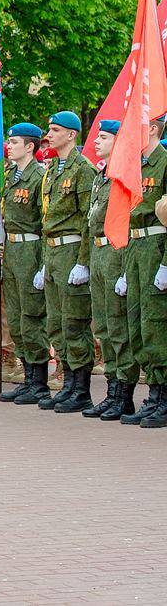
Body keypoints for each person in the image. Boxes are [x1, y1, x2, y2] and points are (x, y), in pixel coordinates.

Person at [35, 111, 98, 412]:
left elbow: (88, 220)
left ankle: (81, 388)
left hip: (73, 250)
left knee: (74, 322)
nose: (49, 134)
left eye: (56, 130)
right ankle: (68, 381)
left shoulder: (81, 168)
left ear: (72, 135)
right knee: (56, 324)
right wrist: (47, 260)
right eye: (49, 129)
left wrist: (83, 261)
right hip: (54, 251)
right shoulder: (53, 170)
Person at [0, 123, 51, 404]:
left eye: (15, 142)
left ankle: (39, 382)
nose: (10, 145)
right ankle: (28, 378)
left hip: (31, 249)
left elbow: (45, 223)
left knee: (32, 318)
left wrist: (43, 263)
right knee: (16, 319)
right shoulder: (10, 176)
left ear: (30, 146)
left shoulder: (38, 177)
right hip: (13, 249)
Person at [121, 114, 167, 426]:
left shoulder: (164, 162)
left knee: (155, 324)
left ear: (152, 129)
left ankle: (163, 397)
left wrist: (165, 265)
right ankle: (153, 393)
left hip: (155, 246)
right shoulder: (134, 164)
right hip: (135, 247)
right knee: (137, 323)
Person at [85, 120, 132, 419]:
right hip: (98, 251)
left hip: (116, 252)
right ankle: (112, 390)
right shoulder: (102, 174)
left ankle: (124, 395)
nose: (97, 141)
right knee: (102, 325)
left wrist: (126, 269)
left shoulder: (125, 174)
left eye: (103, 137)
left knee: (118, 327)